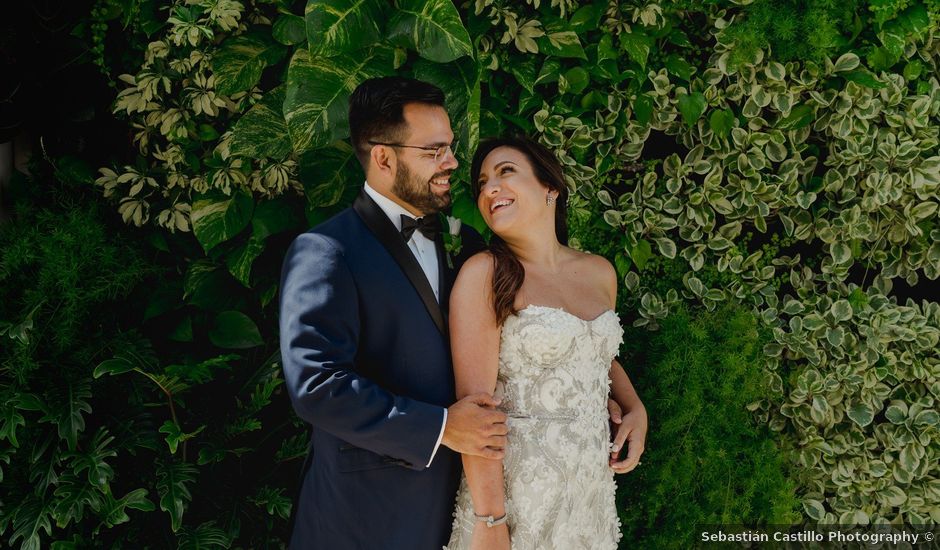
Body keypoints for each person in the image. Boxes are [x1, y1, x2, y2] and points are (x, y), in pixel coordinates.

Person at [278, 76, 505, 549]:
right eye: (434, 151)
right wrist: (441, 426)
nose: (453, 163)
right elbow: (316, 386)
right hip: (365, 519)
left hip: (460, 510)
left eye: (450, 147)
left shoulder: (463, 243)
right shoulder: (326, 250)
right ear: (383, 157)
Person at [445, 136, 648, 550]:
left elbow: (594, 354)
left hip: (588, 499)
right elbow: (475, 411)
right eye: (482, 183)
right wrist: (490, 521)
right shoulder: (484, 273)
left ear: (550, 186)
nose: (489, 190)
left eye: (505, 172)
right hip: (519, 501)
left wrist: (635, 406)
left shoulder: (599, 273)